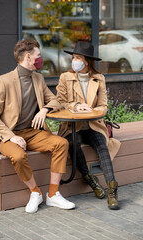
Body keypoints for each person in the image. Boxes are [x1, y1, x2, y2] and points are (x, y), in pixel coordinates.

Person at [0, 39, 75, 213]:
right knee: (18, 157)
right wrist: (11, 136)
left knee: (61, 144)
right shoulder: (4, 81)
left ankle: (53, 195)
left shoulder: (38, 79)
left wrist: (44, 110)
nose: (41, 58)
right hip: (9, 134)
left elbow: (54, 100)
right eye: (38, 55)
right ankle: (35, 192)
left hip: (33, 133)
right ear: (28, 56)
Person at [56, 41, 121, 210]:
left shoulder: (99, 79)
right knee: (72, 143)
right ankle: (90, 180)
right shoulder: (65, 77)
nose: (74, 61)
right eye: (74, 57)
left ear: (87, 61)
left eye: (78, 58)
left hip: (92, 124)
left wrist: (92, 110)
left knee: (102, 146)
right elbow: (60, 101)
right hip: (72, 126)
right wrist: (77, 106)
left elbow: (104, 106)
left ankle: (112, 191)